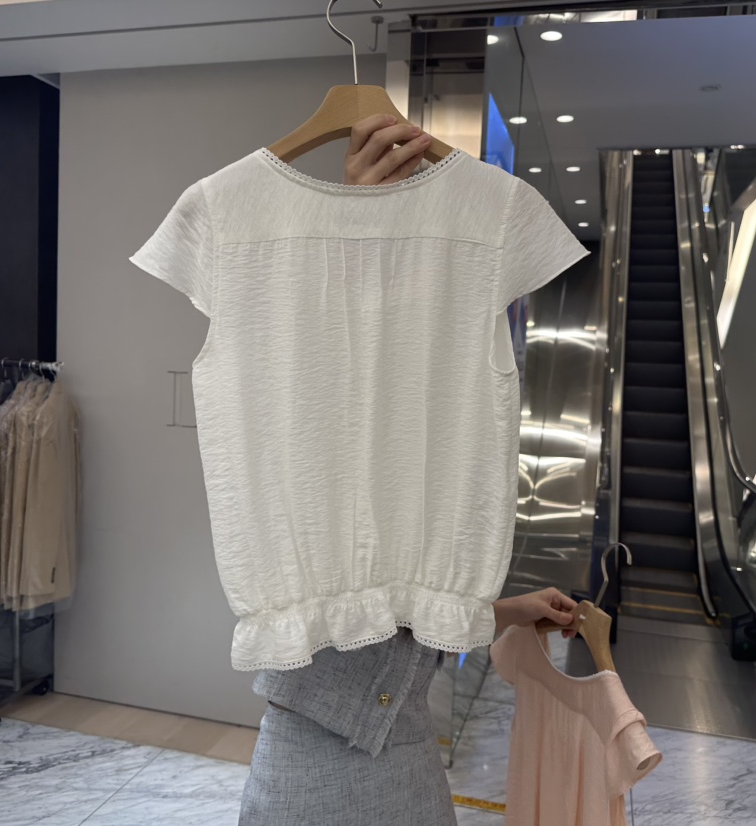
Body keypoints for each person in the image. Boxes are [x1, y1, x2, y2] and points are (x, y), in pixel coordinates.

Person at [237, 116, 578, 826]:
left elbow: (402, 587)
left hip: (406, 738)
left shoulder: (484, 252)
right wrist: (351, 240)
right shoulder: (264, 250)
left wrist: (507, 610)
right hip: (308, 738)